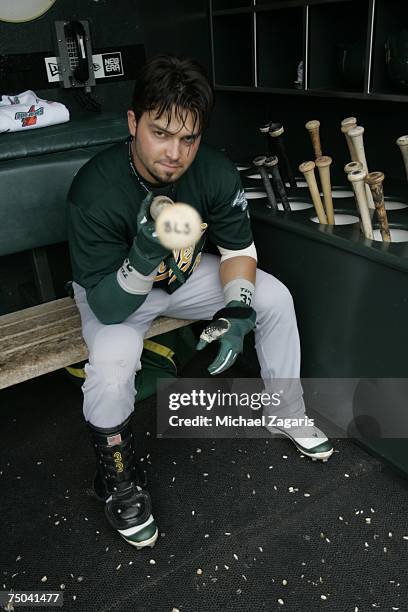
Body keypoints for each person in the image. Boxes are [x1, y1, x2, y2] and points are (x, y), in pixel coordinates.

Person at [67, 55, 334, 550]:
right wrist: (144, 256)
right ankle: (118, 479)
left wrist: (236, 309)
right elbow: (107, 308)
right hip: (114, 288)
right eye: (161, 133)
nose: (174, 152)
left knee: (272, 297)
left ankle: (284, 409)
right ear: (133, 123)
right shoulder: (94, 190)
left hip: (181, 278)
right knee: (111, 361)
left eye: (187, 138)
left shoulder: (211, 171)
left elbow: (237, 251)